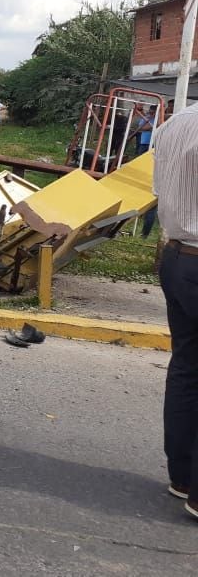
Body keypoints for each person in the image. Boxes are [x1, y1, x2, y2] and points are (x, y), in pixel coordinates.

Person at [151, 101, 198, 519]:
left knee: (186, 366)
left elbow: (157, 192)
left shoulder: (175, 125)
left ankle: (181, 476)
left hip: (177, 256)